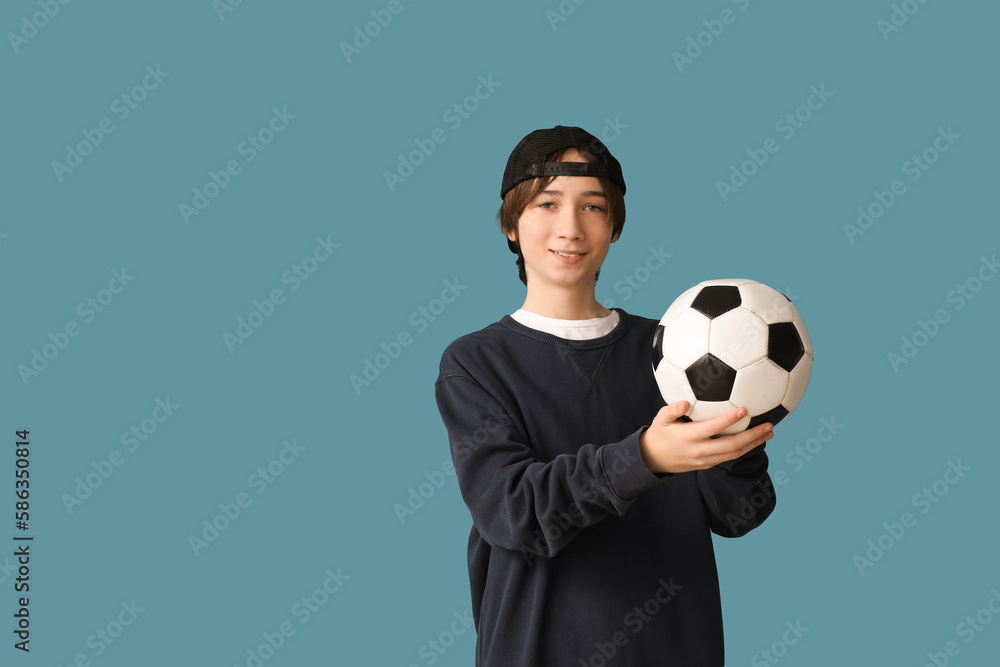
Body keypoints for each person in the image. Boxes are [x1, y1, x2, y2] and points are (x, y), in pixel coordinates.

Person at [434, 126, 776, 666]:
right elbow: (510, 512)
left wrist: (738, 436)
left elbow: (741, 515)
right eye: (547, 203)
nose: (569, 227)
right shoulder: (475, 363)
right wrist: (643, 459)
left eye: (592, 205)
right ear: (509, 224)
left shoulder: (678, 348)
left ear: (614, 225)